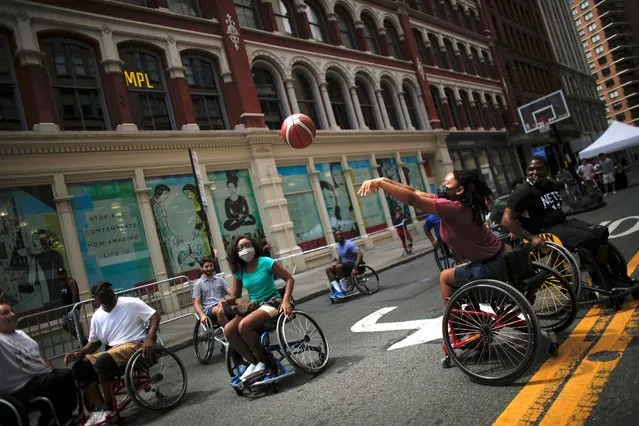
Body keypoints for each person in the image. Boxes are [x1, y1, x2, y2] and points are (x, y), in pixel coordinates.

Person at [358, 170, 507, 305]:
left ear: (460, 190)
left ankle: (457, 326)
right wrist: (384, 180)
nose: (442, 186)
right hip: (497, 257)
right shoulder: (459, 203)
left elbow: (412, 199)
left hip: (489, 266)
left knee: (444, 277)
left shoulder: (452, 207)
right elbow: (414, 192)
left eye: (446, 184)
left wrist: (380, 184)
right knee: (459, 270)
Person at [501, 156, 634, 288]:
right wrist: (531, 237)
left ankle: (616, 275)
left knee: (600, 232)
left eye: (539, 169)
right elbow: (506, 221)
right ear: (526, 171)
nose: (534, 172)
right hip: (544, 230)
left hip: (563, 223)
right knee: (587, 240)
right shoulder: (522, 192)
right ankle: (600, 280)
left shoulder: (552, 185)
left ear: (547, 169)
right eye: (531, 169)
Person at [64, 282, 160, 425]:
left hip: (134, 345)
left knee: (103, 360)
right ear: (95, 298)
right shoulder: (97, 317)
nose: (107, 292)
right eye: (102, 291)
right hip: (113, 351)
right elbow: (94, 343)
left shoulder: (130, 302)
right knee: (81, 366)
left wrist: (150, 339)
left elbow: (154, 316)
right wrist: (80, 353)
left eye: (108, 289)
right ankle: (99, 408)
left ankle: (109, 408)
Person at [221, 236, 294, 382]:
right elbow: (235, 295)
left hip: (273, 302)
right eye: (240, 248)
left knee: (244, 326)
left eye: (247, 245)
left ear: (253, 246)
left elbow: (289, 279)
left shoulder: (265, 262)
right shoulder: (240, 271)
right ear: (236, 253)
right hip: (254, 306)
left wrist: (286, 301)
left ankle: (265, 362)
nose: (245, 249)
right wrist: (225, 302)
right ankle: (254, 362)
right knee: (229, 329)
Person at [0, 303, 77, 425]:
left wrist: (49, 367)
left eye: (12, 311)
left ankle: (65, 417)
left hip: (40, 377)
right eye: (5, 313)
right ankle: (60, 419)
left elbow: (37, 354)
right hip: (22, 386)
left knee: (66, 374)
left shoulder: (20, 333)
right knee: (57, 379)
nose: (13, 314)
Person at [193, 256, 233, 327]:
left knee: (238, 307)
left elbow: (231, 292)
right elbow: (196, 303)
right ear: (201, 268)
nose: (209, 268)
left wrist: (235, 300)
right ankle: (228, 331)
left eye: (211, 266)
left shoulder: (220, 280)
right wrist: (202, 315)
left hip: (222, 304)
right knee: (219, 310)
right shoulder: (198, 284)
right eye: (206, 266)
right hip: (209, 309)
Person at [325, 231, 364, 298]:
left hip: (352, 263)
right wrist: (335, 263)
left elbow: (360, 254)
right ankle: (338, 291)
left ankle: (344, 290)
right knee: (328, 269)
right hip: (344, 265)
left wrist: (356, 267)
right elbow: (340, 259)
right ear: (335, 238)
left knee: (338, 267)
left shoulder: (349, 244)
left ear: (343, 235)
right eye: (337, 235)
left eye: (340, 234)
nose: (339, 236)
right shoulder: (338, 247)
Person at [58, 267, 86, 344]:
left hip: (72, 307)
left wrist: (74, 307)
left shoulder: (71, 282)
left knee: (76, 324)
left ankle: (82, 342)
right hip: (65, 308)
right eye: (60, 274)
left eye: (63, 273)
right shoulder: (62, 284)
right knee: (64, 324)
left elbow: (75, 295)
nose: (61, 276)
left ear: (65, 273)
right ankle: (81, 339)